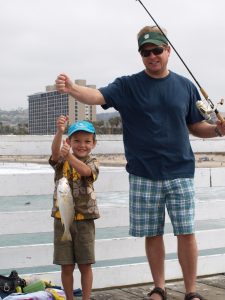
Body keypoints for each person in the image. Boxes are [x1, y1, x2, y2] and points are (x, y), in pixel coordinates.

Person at [55, 26, 225, 300]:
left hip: (180, 170)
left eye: (157, 50)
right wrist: (73, 88)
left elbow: (195, 126)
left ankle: (191, 291)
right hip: (143, 174)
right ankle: (159, 287)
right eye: (146, 52)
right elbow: (97, 96)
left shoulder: (185, 86)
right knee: (152, 234)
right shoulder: (127, 85)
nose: (152, 56)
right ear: (141, 55)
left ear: (168, 50)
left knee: (186, 232)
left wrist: (218, 130)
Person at [49, 116, 100, 300]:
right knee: (66, 265)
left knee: (86, 264)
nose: (82, 145)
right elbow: (55, 153)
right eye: (76, 140)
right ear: (69, 142)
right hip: (62, 219)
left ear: (94, 144)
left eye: (87, 141)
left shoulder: (93, 162)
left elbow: (86, 172)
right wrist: (60, 131)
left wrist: (69, 155)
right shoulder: (61, 160)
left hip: (85, 221)